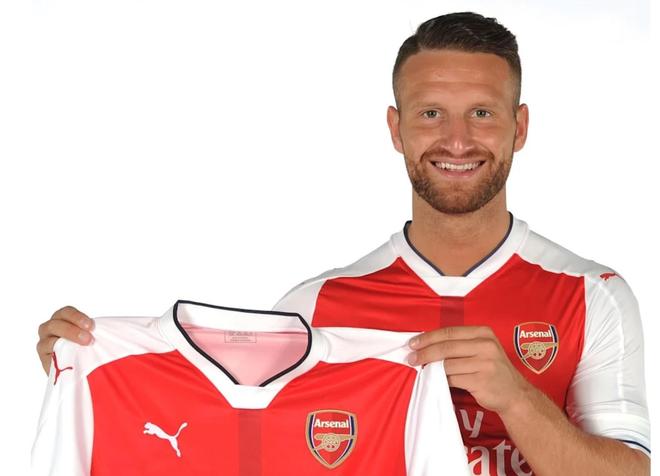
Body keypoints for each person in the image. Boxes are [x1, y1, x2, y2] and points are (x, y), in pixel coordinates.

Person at [35, 12, 650, 476]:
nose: (457, 140)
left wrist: (516, 400)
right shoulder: (315, 307)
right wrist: (97, 373)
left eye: (482, 114)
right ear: (396, 129)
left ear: (520, 127)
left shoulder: (592, 295)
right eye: (430, 114)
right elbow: (235, 444)